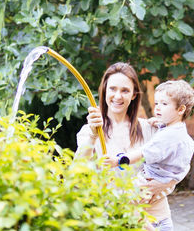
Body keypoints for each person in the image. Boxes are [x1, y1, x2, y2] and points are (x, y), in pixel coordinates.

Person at [75, 62, 177, 227]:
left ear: (134, 95)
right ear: (104, 91)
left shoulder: (148, 129)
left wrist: (154, 188)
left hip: (158, 221)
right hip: (119, 222)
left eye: (125, 90)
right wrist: (93, 136)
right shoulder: (91, 132)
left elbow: (173, 171)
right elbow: (76, 173)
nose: (117, 96)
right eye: (113, 89)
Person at [103, 80, 194, 231]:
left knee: (123, 201)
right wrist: (159, 123)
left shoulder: (167, 138)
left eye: (164, 104)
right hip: (164, 179)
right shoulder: (177, 130)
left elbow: (142, 154)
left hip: (151, 179)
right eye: (157, 103)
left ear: (180, 109)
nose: (158, 108)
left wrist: (118, 160)